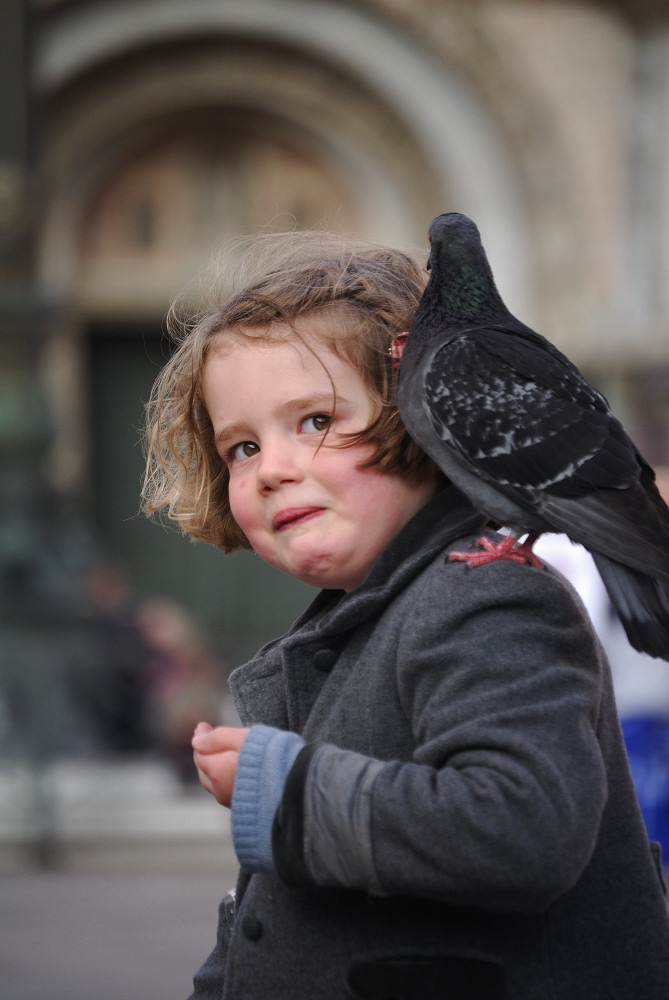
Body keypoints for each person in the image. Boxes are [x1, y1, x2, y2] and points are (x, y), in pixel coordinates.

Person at [142, 231, 669, 1000]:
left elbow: (522, 828)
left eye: (316, 422)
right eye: (242, 448)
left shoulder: (488, 598)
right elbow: (278, 923)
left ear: (423, 413)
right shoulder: (351, 629)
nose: (273, 469)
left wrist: (289, 793)